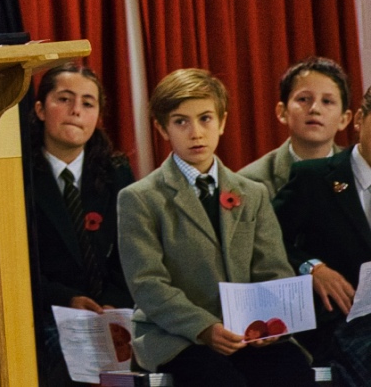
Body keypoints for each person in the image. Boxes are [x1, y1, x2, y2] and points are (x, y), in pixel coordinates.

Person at [117, 68, 314, 386]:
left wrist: (266, 324)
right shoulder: (139, 198)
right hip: (176, 335)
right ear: (162, 128)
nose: (195, 132)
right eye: (181, 121)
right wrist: (204, 327)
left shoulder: (251, 193)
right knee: (219, 379)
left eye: (205, 118)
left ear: (222, 122)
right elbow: (148, 284)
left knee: (291, 369)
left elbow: (273, 269)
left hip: (245, 332)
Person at [23, 62, 134, 386]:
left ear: (98, 117)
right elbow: (17, 263)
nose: (76, 111)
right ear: (41, 109)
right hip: (48, 312)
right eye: (64, 100)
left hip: (111, 311)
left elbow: (132, 249)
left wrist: (114, 303)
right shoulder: (19, 173)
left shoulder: (117, 172)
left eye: (88, 103)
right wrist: (66, 299)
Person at [272, 84, 371, 387]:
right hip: (338, 322)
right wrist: (312, 267)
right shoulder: (313, 177)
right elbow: (268, 243)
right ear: (359, 120)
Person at [241, 57, 352, 198]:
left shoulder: (359, 171)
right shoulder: (251, 182)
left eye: (327, 101)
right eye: (304, 99)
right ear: (282, 112)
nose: (315, 109)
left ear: (344, 119)